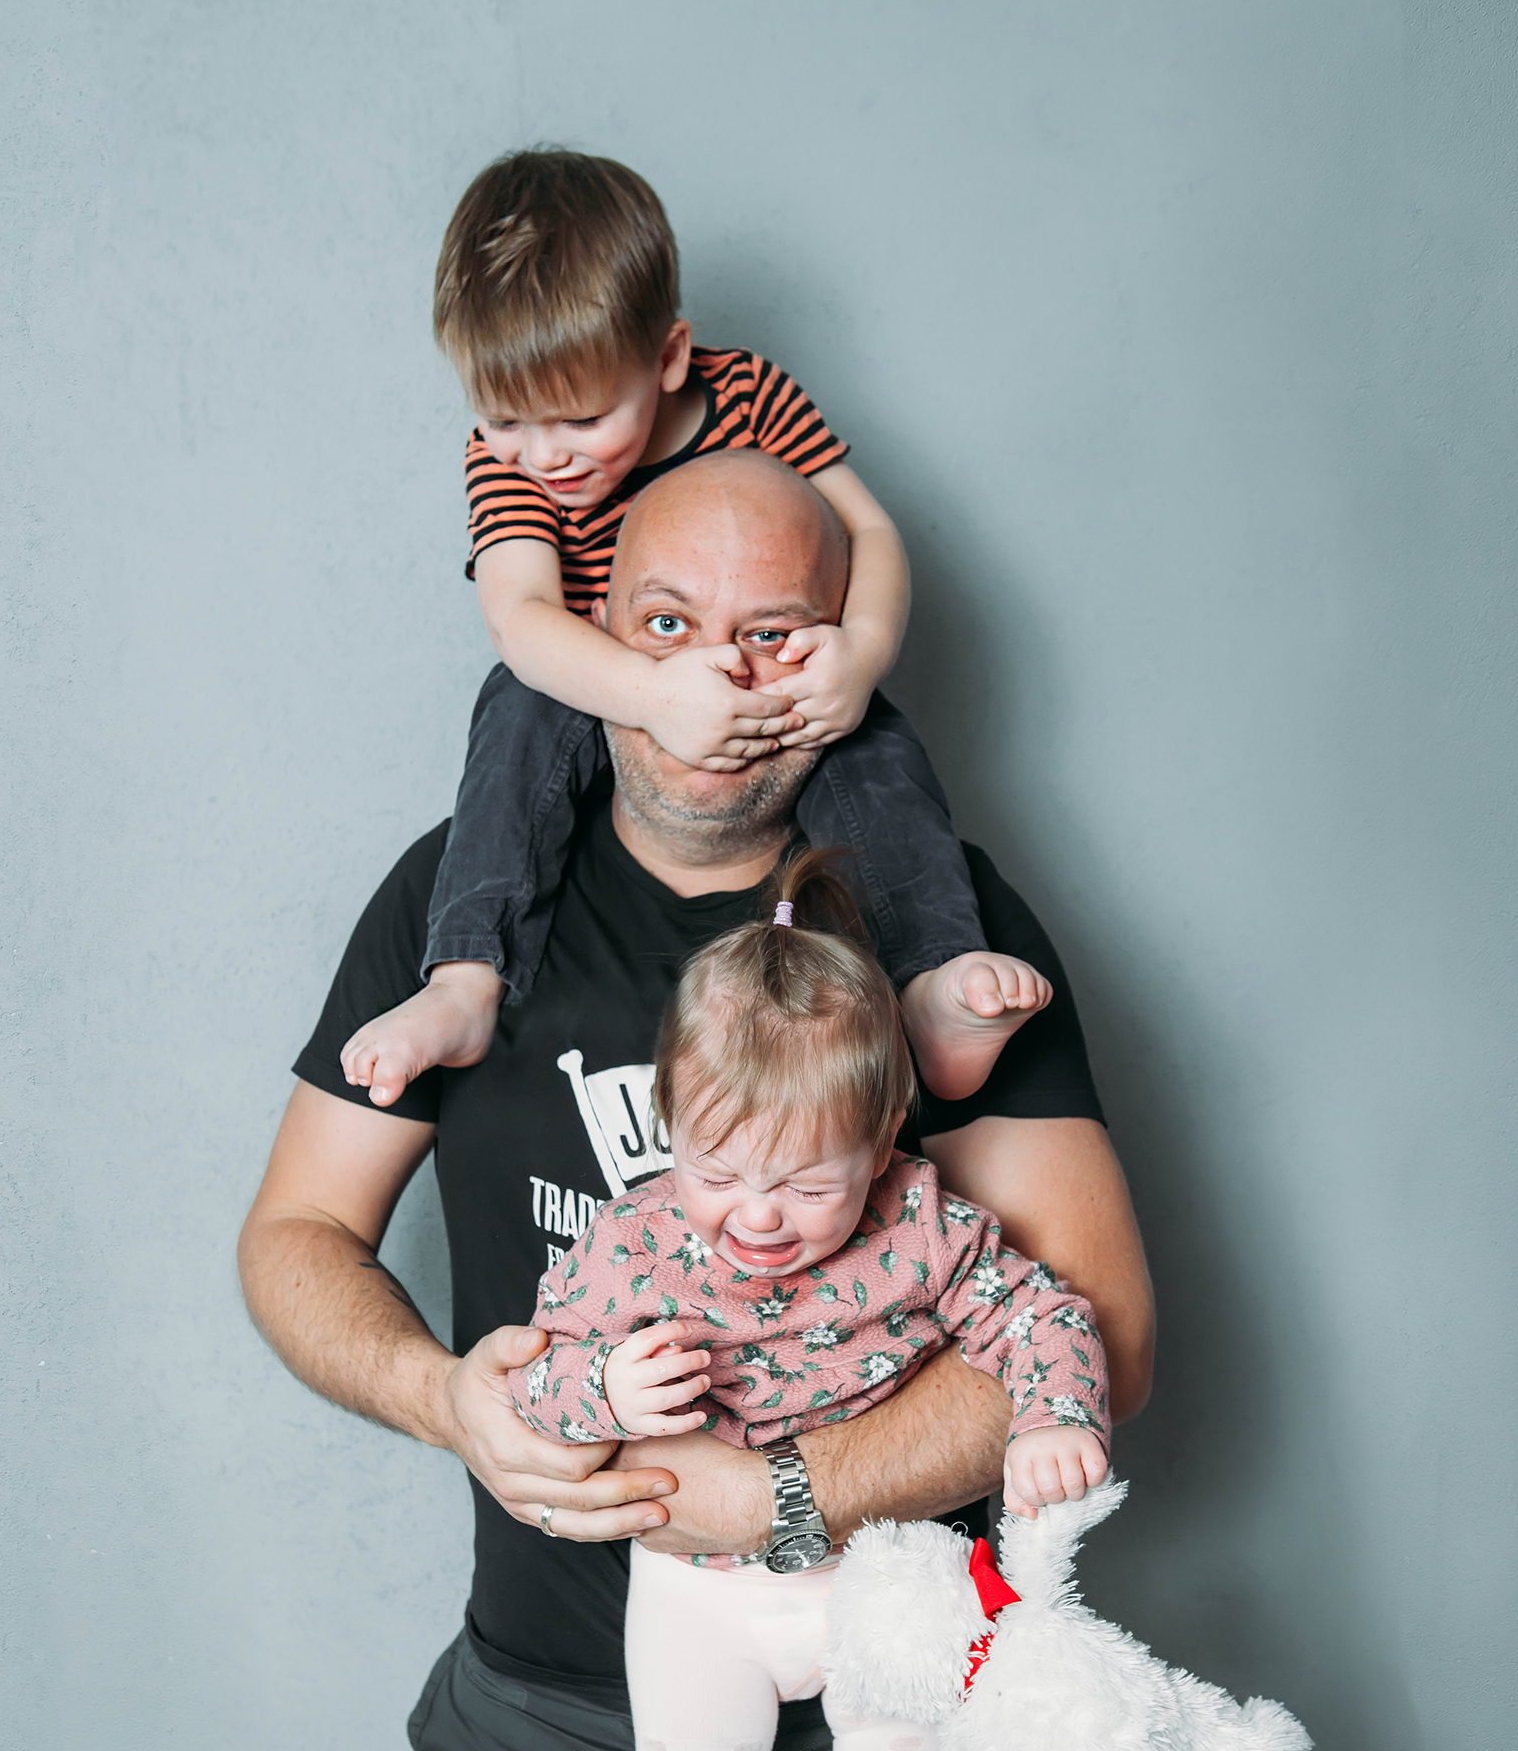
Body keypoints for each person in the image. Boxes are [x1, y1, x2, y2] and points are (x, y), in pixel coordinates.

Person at [238, 450, 1157, 1751]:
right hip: (547, 1746)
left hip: (902, 1705)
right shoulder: (458, 905)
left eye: (775, 634)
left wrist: (783, 1497)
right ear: (594, 634)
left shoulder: (945, 930)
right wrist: (444, 1399)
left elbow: (1098, 1328)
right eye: (667, 625)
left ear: (848, 649)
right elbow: (296, 1236)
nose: (719, 681)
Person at [338, 148, 1050, 1112]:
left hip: (768, 676)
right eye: (503, 418)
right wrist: (653, 695)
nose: (543, 456)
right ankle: (466, 980)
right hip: (610, 676)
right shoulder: (508, 465)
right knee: (516, 703)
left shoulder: (748, 395)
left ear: (670, 358)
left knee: (872, 743)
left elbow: (872, 531)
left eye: (583, 419)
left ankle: (931, 982)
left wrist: (861, 652)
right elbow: (522, 615)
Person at [511, 845, 1111, 1751]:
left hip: (885, 1572)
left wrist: (1055, 1416)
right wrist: (603, 1385)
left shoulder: (920, 1225)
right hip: (699, 1588)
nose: (757, 1216)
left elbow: (1045, 1313)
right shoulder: (633, 1243)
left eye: (803, 1185)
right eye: (716, 1173)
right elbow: (529, 1385)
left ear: (880, 1147)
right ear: (670, 1120)